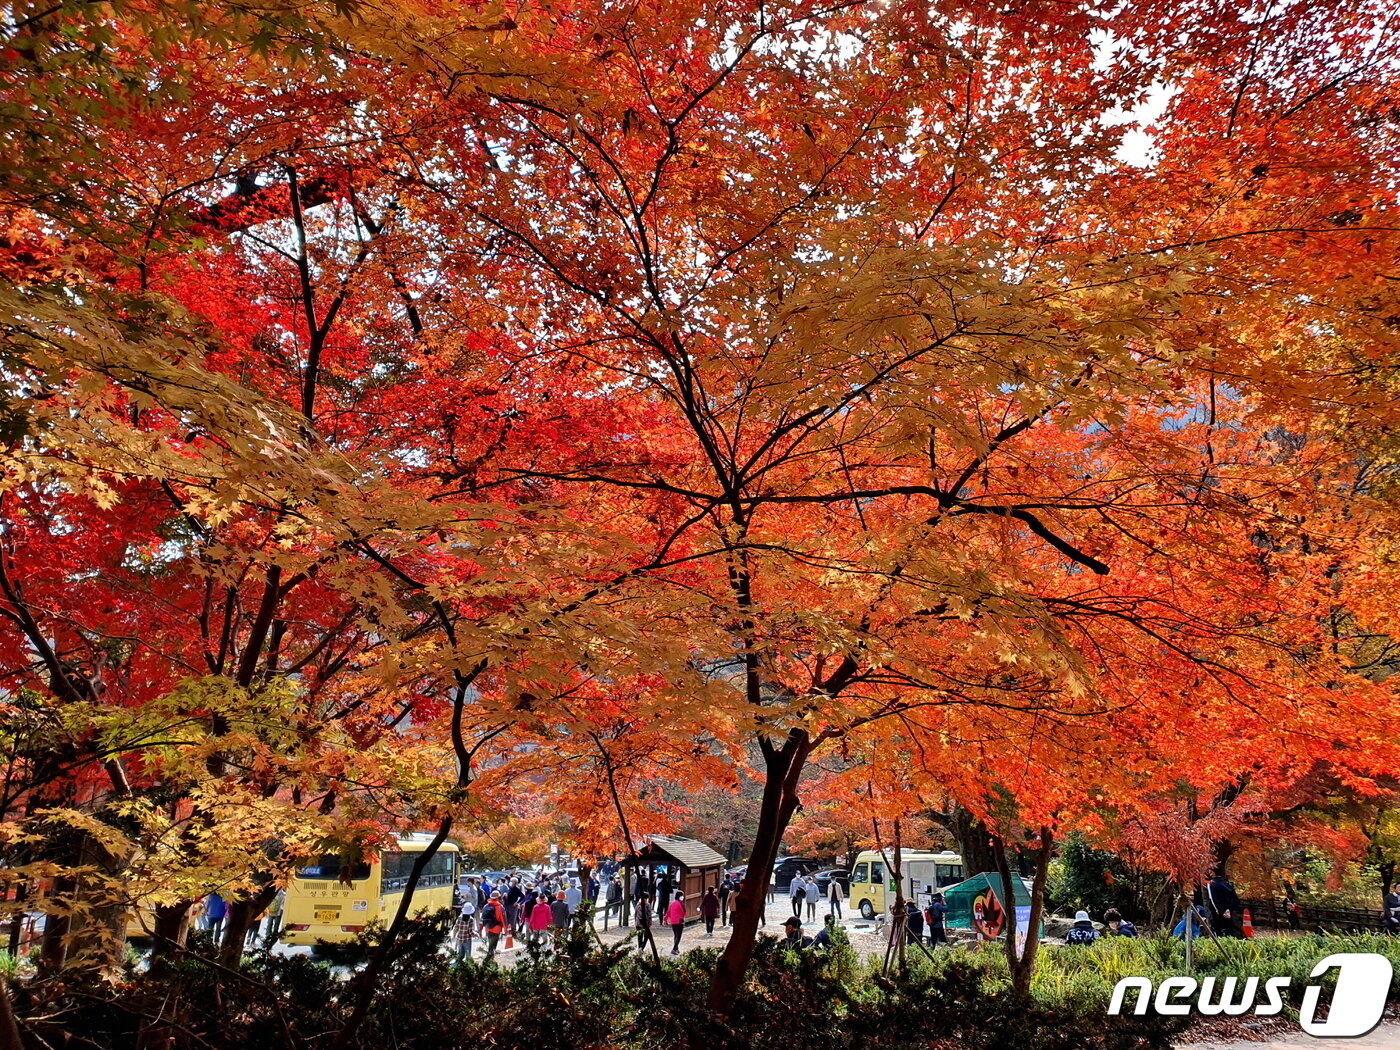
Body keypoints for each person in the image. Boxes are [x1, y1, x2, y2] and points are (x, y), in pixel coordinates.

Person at [1205, 872, 1242, 938]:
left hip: (1218, 912)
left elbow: (1213, 899)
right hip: (1229, 912)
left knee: (1218, 931)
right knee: (1229, 930)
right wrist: (1230, 910)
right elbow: (1235, 899)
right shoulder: (1227, 884)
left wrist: (1221, 911)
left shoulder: (1211, 883)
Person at [481, 891, 507, 962]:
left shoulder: (486, 906)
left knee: (490, 944)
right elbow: (503, 920)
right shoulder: (500, 907)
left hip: (488, 928)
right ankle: (489, 959)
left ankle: (490, 958)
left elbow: (482, 918)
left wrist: (481, 929)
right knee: (493, 945)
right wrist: (506, 930)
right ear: (498, 897)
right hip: (497, 929)